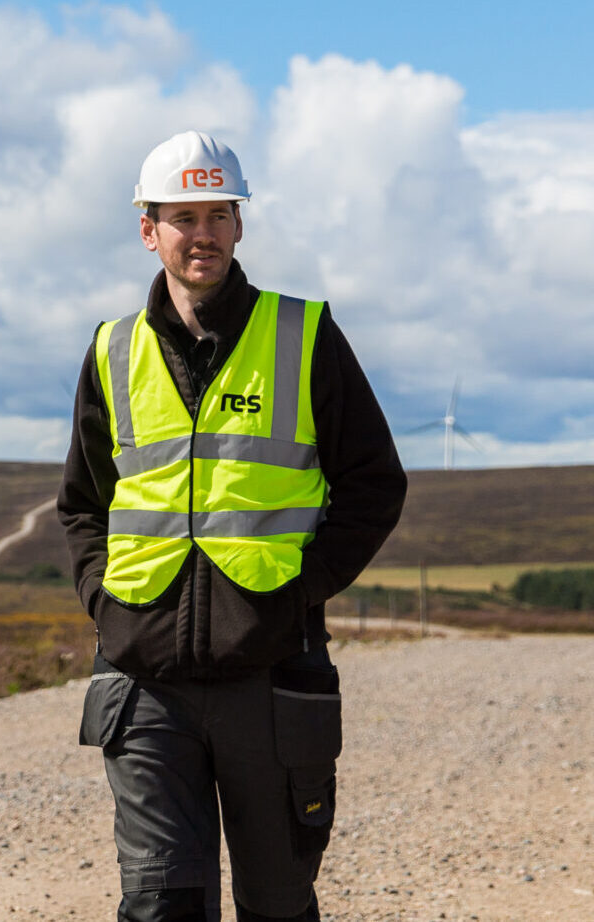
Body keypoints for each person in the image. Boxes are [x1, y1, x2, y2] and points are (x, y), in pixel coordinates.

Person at [59, 131, 407, 921]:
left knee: (278, 904)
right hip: (143, 678)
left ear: (241, 224)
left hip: (273, 672)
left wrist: (300, 594)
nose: (203, 233)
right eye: (182, 217)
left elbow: (374, 485)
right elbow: (83, 503)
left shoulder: (304, 335)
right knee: (159, 903)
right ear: (148, 229)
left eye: (218, 213)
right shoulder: (112, 351)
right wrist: (104, 601)